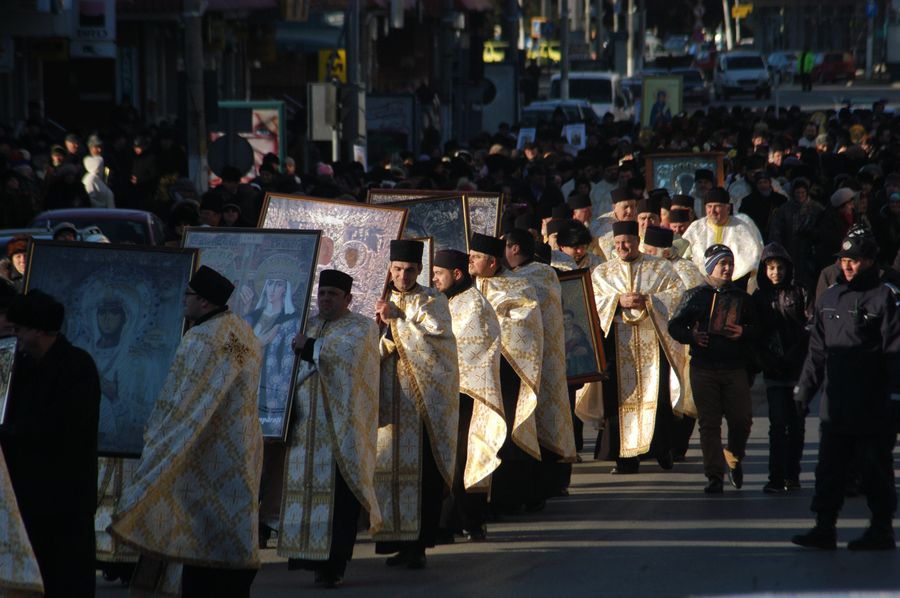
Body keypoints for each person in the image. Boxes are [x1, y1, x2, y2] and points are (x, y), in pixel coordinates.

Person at [110, 266, 264, 596]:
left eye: (189, 295)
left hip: (200, 448)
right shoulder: (242, 331)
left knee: (197, 530)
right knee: (229, 524)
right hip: (240, 445)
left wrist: (157, 437)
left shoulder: (201, 339)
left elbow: (180, 401)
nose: (184, 300)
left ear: (204, 302)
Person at [792, 235, 900, 551]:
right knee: (829, 468)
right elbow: (817, 352)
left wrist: (896, 398)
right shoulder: (830, 298)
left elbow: (896, 353)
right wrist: (804, 389)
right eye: (844, 260)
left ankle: (881, 529)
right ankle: (824, 527)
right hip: (836, 402)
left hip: (873, 403)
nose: (848, 266)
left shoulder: (886, 298)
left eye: (855, 260)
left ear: (870, 262)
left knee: (874, 468)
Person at [277, 270, 381, 588]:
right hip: (305, 427)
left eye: (333, 294)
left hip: (340, 430)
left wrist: (309, 347)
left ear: (348, 299)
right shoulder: (307, 324)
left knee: (339, 500)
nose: (326, 299)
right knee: (305, 492)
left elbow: (348, 359)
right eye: (322, 293)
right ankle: (310, 558)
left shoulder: (362, 327)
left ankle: (334, 564)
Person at [0, 290, 101, 595]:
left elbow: (62, 428)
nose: (16, 337)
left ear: (39, 331)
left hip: (64, 502)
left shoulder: (78, 367)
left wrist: (10, 432)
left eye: (20, 330)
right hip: (29, 498)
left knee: (65, 582)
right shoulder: (23, 366)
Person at [373, 240, 459, 569]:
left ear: (420, 270)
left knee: (421, 476)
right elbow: (365, 344)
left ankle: (418, 546)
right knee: (387, 470)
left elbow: (439, 343)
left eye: (410, 270)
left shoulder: (433, 300)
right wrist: (383, 333)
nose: (403, 276)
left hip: (421, 405)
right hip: (388, 400)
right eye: (397, 269)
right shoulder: (376, 298)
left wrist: (397, 321)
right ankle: (397, 541)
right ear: (389, 269)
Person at [592, 221, 686, 473]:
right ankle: (625, 459)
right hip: (617, 344)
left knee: (658, 399)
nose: (622, 247)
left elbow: (678, 294)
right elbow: (593, 301)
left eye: (627, 242)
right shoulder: (603, 272)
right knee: (619, 401)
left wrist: (650, 300)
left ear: (637, 241)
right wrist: (617, 301)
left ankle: (662, 449)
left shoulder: (660, 267)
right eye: (617, 243)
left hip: (653, 344)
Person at [668, 245, 760, 493]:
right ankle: (714, 476)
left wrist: (744, 332)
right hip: (703, 368)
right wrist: (693, 336)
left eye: (730, 263)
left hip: (734, 368)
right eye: (722, 264)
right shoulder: (695, 295)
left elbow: (759, 329)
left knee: (741, 420)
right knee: (709, 424)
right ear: (710, 267)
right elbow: (674, 327)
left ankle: (734, 457)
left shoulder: (742, 298)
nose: (728, 268)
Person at [432, 249, 505, 541]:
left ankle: (467, 521)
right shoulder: (441, 301)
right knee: (444, 459)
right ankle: (446, 523)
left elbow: (471, 350)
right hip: (441, 393)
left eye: (439, 274)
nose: (434, 279)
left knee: (464, 459)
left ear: (457, 274)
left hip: (467, 394)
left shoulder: (474, 305)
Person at [469, 232, 544, 512]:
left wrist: (488, 328)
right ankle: (479, 499)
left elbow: (526, 324)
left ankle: (507, 498)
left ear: (492, 262)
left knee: (506, 432)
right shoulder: (467, 287)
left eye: (476, 258)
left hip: (506, 371)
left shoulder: (518, 286)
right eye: (470, 257)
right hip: (473, 373)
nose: (470, 262)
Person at [506, 228, 577, 494]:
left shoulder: (532, 275)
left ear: (514, 248)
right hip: (542, 358)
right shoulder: (545, 273)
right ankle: (548, 484)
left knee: (541, 420)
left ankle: (545, 484)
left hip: (538, 358)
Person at [642, 225, 706, 461]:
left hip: (681, 342)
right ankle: (655, 444)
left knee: (683, 394)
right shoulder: (646, 269)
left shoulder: (686, 270)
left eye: (651, 251)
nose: (646, 255)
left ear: (666, 252)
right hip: (652, 340)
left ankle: (677, 446)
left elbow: (690, 303)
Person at [751, 243, 809, 494]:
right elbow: (755, 334)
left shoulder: (800, 292)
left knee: (796, 425)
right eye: (771, 268)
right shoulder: (759, 297)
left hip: (798, 369)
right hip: (773, 370)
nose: (776, 273)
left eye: (780, 268)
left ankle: (792, 474)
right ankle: (775, 477)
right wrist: (767, 360)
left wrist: (795, 356)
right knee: (777, 425)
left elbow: (809, 327)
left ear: (788, 268)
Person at [682, 187, 763, 290]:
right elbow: (683, 257)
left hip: (735, 286)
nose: (712, 211)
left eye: (717, 206)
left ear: (728, 208)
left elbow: (753, 259)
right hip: (701, 285)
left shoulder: (742, 228)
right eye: (709, 207)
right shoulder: (695, 228)